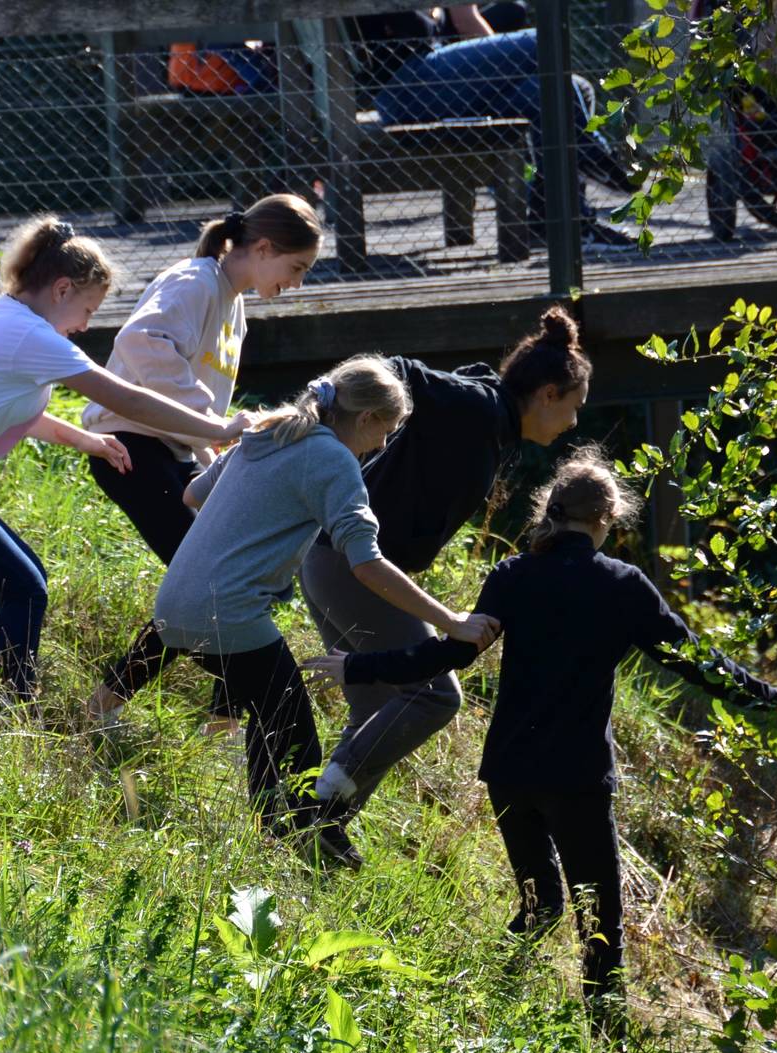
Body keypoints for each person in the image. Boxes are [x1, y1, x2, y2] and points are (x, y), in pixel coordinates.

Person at [303, 448, 777, 1031]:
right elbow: (693, 661)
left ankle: (488, 1004)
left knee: (540, 904)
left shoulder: (514, 575)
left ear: (550, 510)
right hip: (577, 774)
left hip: (511, 770)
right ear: (609, 517)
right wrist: (771, 696)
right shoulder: (624, 586)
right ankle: (607, 1040)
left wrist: (358, 667)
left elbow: (446, 654)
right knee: (602, 923)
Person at [87, 356, 498, 865]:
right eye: (387, 430)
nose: (385, 445)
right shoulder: (333, 460)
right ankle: (281, 846)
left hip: (174, 601)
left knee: (272, 712)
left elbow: (193, 493)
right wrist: (451, 621)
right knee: (292, 733)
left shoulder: (265, 431)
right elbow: (366, 564)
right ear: (367, 419)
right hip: (229, 612)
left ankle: (270, 835)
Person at [0, 216, 254, 703]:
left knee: (26, 581)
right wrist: (218, 427)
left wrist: (88, 440)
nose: (85, 325)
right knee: (21, 586)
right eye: (87, 309)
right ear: (62, 289)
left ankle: (9, 704)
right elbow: (128, 398)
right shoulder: (30, 337)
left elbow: (11, 411)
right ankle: (10, 712)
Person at [300, 306, 590, 846]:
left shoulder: (489, 410)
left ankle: (321, 830)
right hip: (353, 565)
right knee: (435, 695)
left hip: (333, 560)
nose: (574, 422)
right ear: (548, 394)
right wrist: (327, 419)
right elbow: (399, 368)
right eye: (573, 406)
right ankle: (314, 812)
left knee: (379, 703)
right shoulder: (477, 406)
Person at [82, 194, 322, 732]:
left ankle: (187, 716)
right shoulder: (194, 282)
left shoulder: (232, 302)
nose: (298, 282)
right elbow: (141, 344)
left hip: (171, 453)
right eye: (297, 268)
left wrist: (213, 453)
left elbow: (198, 396)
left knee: (215, 582)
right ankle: (174, 715)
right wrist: (210, 425)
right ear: (262, 248)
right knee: (209, 584)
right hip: (129, 449)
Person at [347, 5, 634, 246]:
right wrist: (507, 64)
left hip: (441, 86)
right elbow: (461, 21)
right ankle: (588, 151)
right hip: (409, 87)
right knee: (545, 39)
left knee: (564, 88)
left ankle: (562, 221)